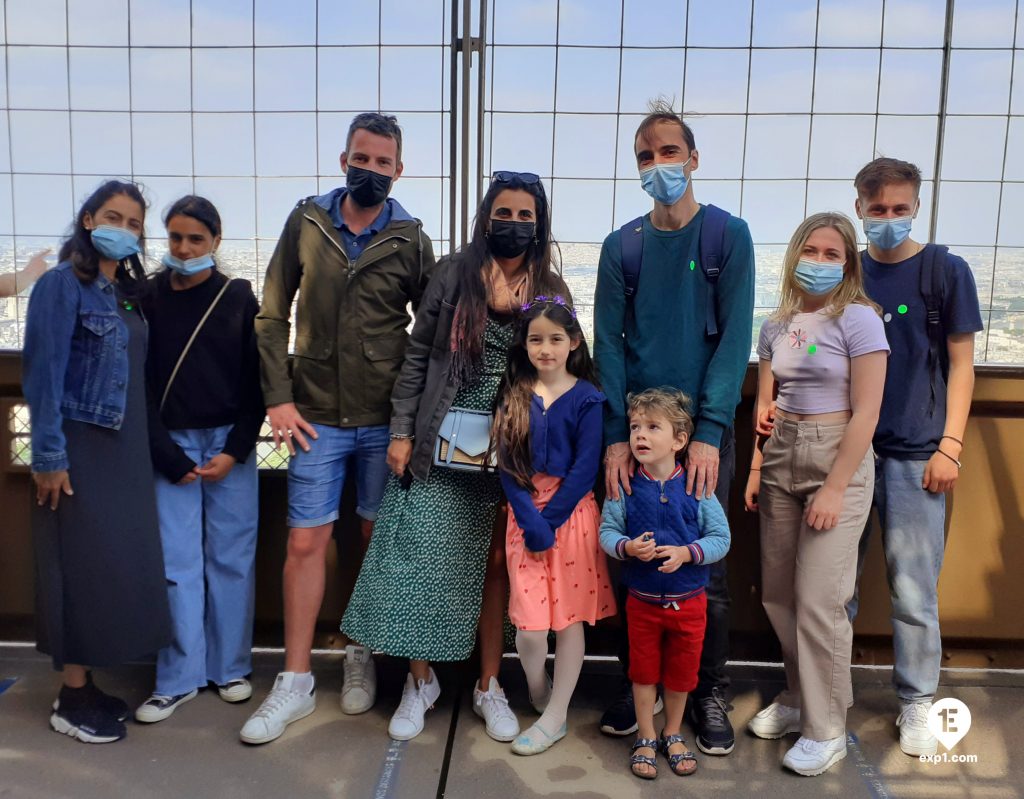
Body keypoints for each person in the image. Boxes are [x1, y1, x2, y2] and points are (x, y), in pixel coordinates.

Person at [342, 171, 569, 743]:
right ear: (485, 217)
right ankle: (421, 681)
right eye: (503, 213)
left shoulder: (548, 286)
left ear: (538, 223)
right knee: (422, 554)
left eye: (524, 216)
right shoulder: (454, 272)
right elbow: (419, 354)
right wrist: (401, 431)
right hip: (440, 433)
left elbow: (566, 361)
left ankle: (488, 684)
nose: (512, 224)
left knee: (495, 565)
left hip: (512, 442)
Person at [242, 113, 436, 744]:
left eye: (383, 163)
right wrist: (278, 397)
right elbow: (272, 314)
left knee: (377, 543)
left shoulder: (410, 239)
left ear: (400, 170)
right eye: (362, 158)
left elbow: (429, 331)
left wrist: (409, 422)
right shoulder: (306, 222)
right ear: (343, 159)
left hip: (385, 421)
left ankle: (362, 653)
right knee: (306, 542)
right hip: (315, 417)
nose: (370, 170)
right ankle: (294, 681)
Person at [593, 98, 754, 753]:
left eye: (668, 152)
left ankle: (705, 687)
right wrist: (614, 433)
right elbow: (606, 343)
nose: (658, 165)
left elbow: (735, 336)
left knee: (703, 564)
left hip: (703, 433)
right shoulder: (620, 247)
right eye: (644, 156)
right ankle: (640, 687)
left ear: (692, 159)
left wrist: (711, 428)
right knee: (631, 554)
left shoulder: (727, 237)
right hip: (636, 432)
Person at [22, 180, 172, 743]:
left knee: (111, 567)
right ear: (88, 220)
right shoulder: (62, 286)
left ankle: (86, 685)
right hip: (80, 451)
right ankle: (71, 695)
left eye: (135, 223)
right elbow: (43, 375)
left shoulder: (123, 294)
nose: (125, 230)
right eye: (115, 217)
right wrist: (49, 457)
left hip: (123, 449)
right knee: (80, 567)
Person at [744, 212, 889, 776]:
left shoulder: (858, 319)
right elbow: (765, 407)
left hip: (837, 455)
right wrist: (757, 468)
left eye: (833, 254)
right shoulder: (778, 325)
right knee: (778, 594)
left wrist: (835, 487)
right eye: (812, 250)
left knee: (820, 599)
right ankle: (802, 694)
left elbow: (869, 408)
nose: (820, 262)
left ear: (849, 263)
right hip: (782, 453)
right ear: (794, 256)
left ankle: (826, 729)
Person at [847, 158, 983, 757]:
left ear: (917, 207)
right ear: (859, 209)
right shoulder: (844, 272)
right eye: (877, 210)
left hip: (916, 450)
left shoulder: (944, 271)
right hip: (847, 450)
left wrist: (950, 445)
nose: (888, 220)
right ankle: (815, 693)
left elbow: (961, 364)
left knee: (913, 588)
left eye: (900, 209)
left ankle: (917, 702)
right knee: (832, 585)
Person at [134, 196, 264, 723]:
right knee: (176, 563)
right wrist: (165, 452)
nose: (184, 248)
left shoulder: (237, 297)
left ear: (215, 240)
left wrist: (236, 449)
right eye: (175, 238)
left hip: (229, 444)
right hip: (172, 444)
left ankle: (230, 667)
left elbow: (259, 382)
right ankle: (177, 677)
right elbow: (138, 381)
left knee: (232, 559)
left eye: (195, 239)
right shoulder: (145, 298)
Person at [493, 295, 616, 756]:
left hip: (572, 516)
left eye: (556, 339)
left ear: (574, 343)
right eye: (536, 339)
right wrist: (530, 520)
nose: (546, 348)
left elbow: (586, 468)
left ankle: (556, 713)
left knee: (567, 621)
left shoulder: (587, 397)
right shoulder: (515, 395)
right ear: (525, 345)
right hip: (526, 520)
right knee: (528, 626)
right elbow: (508, 465)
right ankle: (538, 687)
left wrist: (552, 519)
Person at [599, 387, 731, 780]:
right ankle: (646, 735)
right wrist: (626, 548)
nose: (640, 435)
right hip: (640, 602)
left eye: (653, 427)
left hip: (689, 603)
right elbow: (607, 531)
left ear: (679, 440)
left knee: (681, 675)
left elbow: (721, 539)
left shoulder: (698, 487)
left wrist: (687, 553)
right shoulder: (623, 486)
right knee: (642, 673)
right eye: (635, 426)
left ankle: (673, 732)